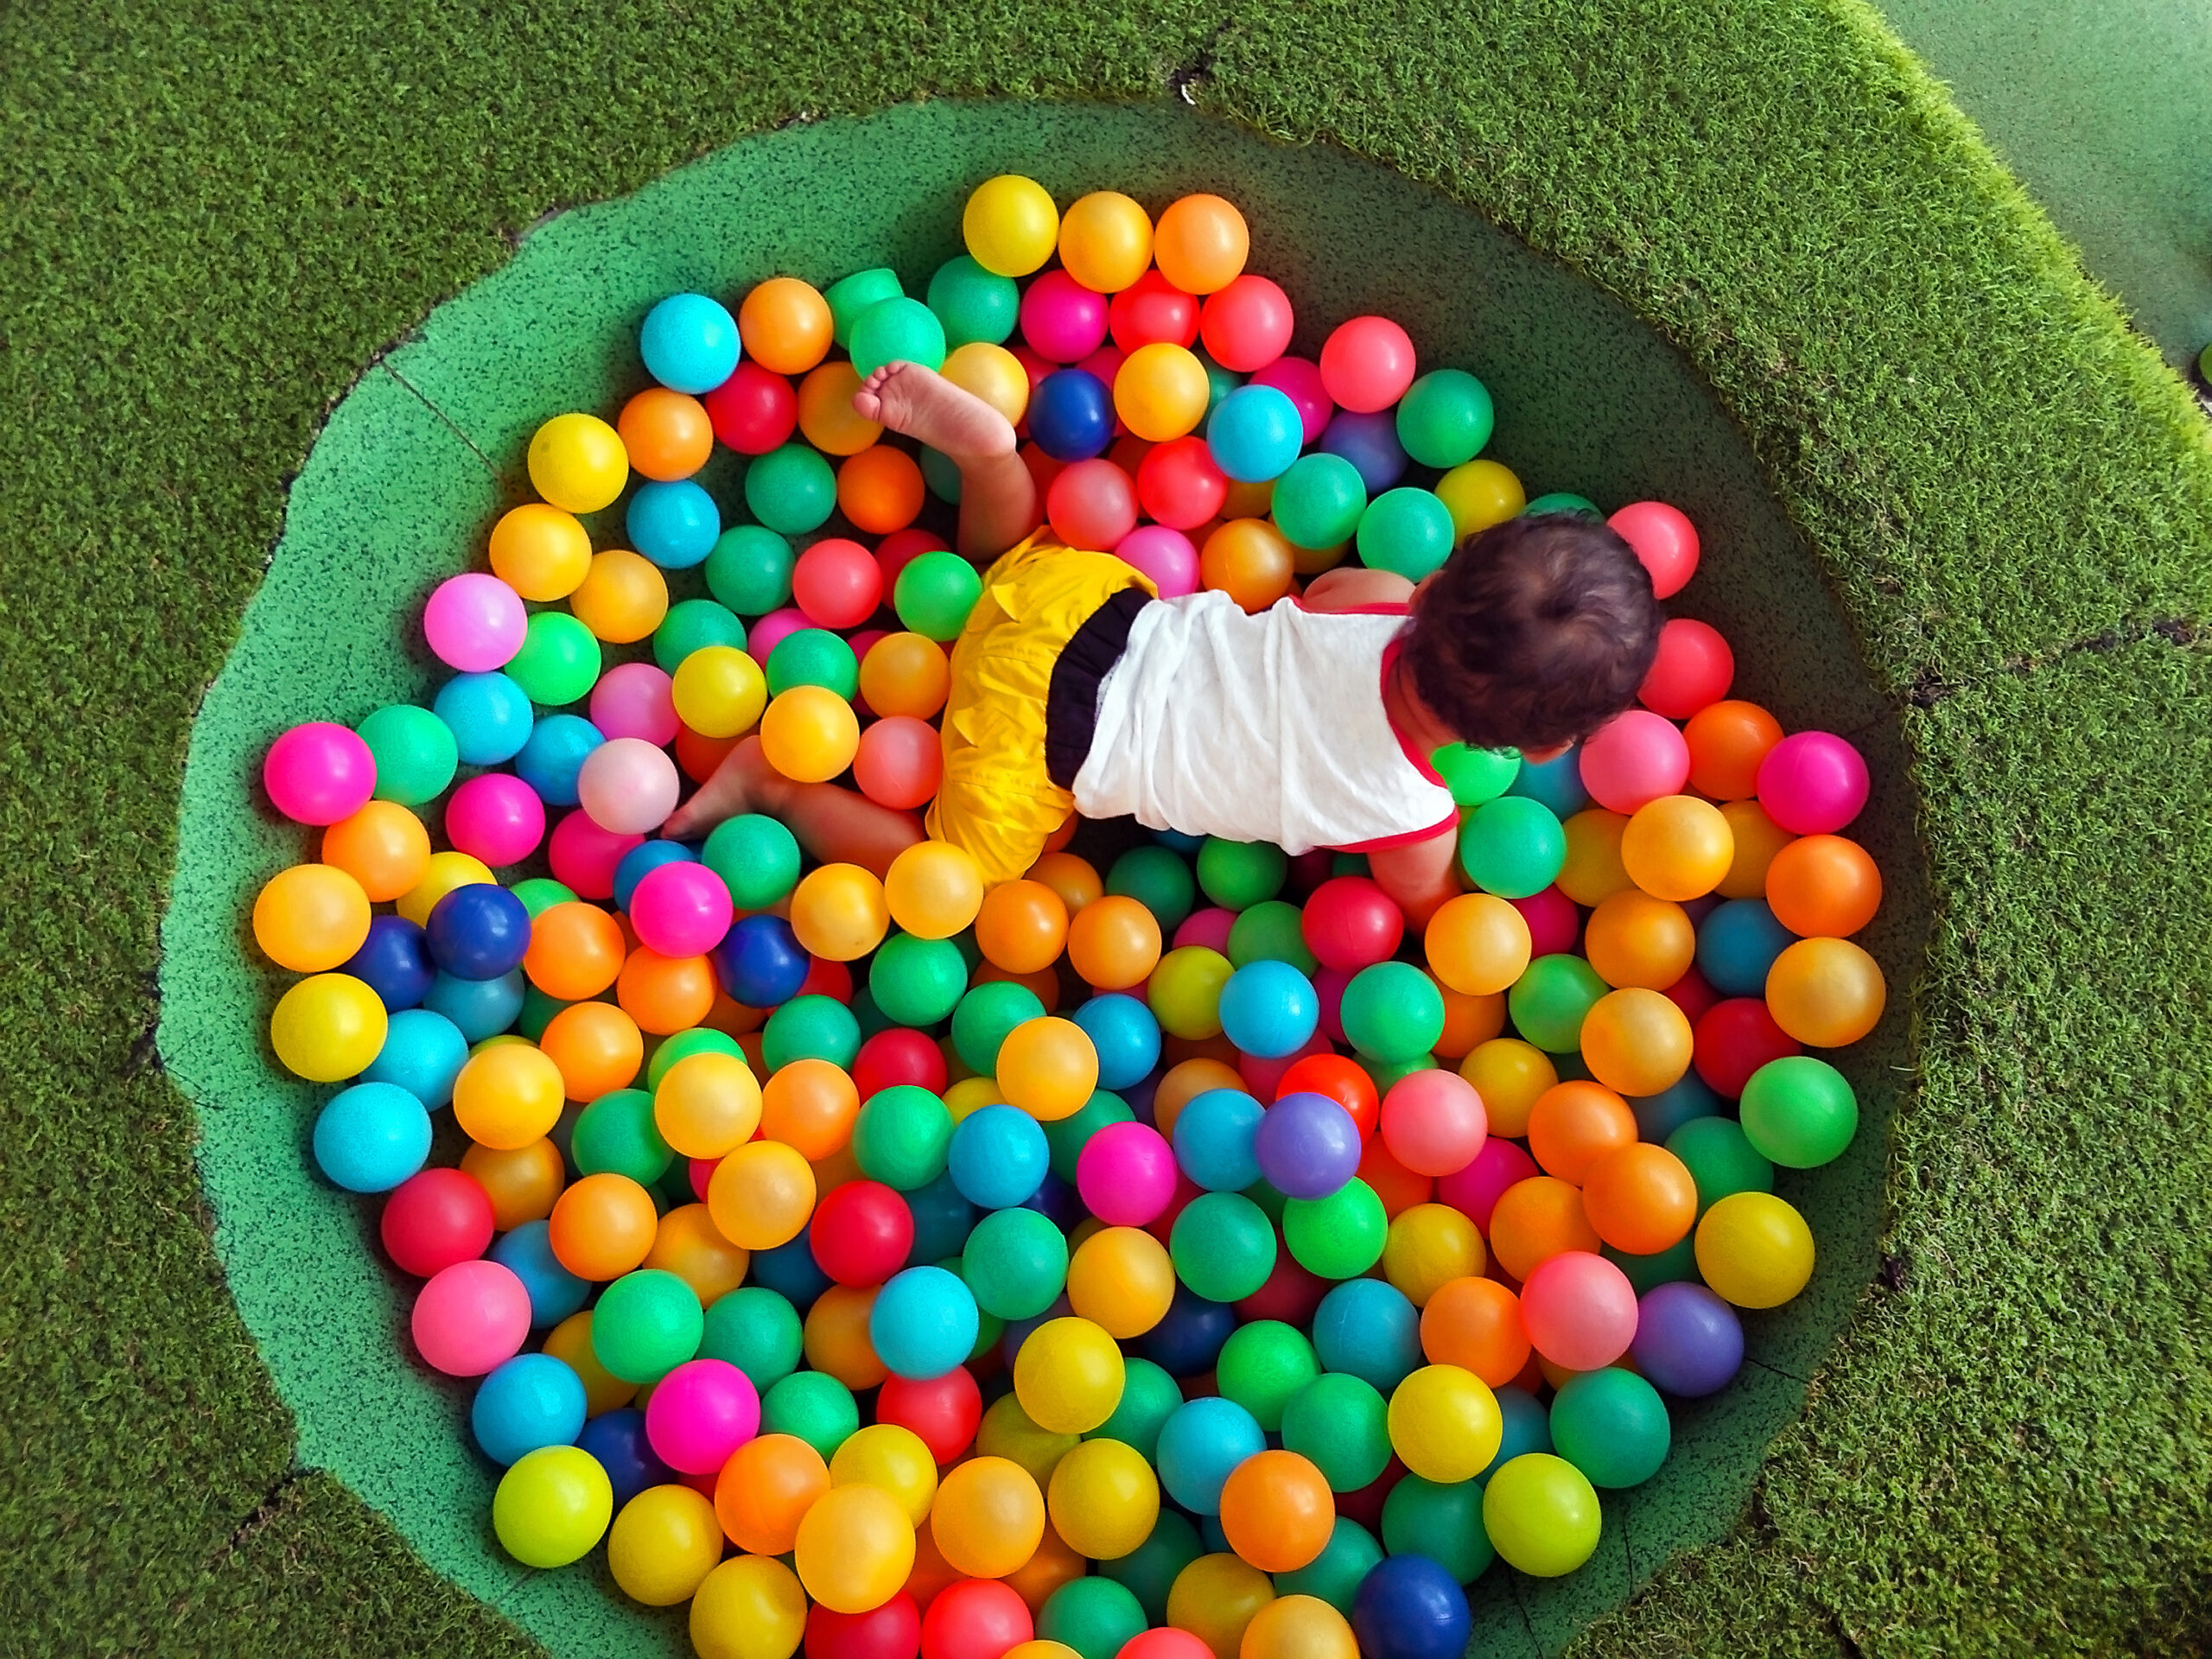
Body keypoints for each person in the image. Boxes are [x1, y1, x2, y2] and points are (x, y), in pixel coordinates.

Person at [665, 360, 1664, 923]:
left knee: (1013, 555)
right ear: (1538, 751)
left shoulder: (1371, 597)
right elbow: (1419, 900)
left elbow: (1314, 602)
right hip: (1037, 748)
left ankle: (987, 457)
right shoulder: (1414, 817)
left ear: (1437, 586)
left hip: (1084, 604)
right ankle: (777, 786)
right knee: (957, 878)